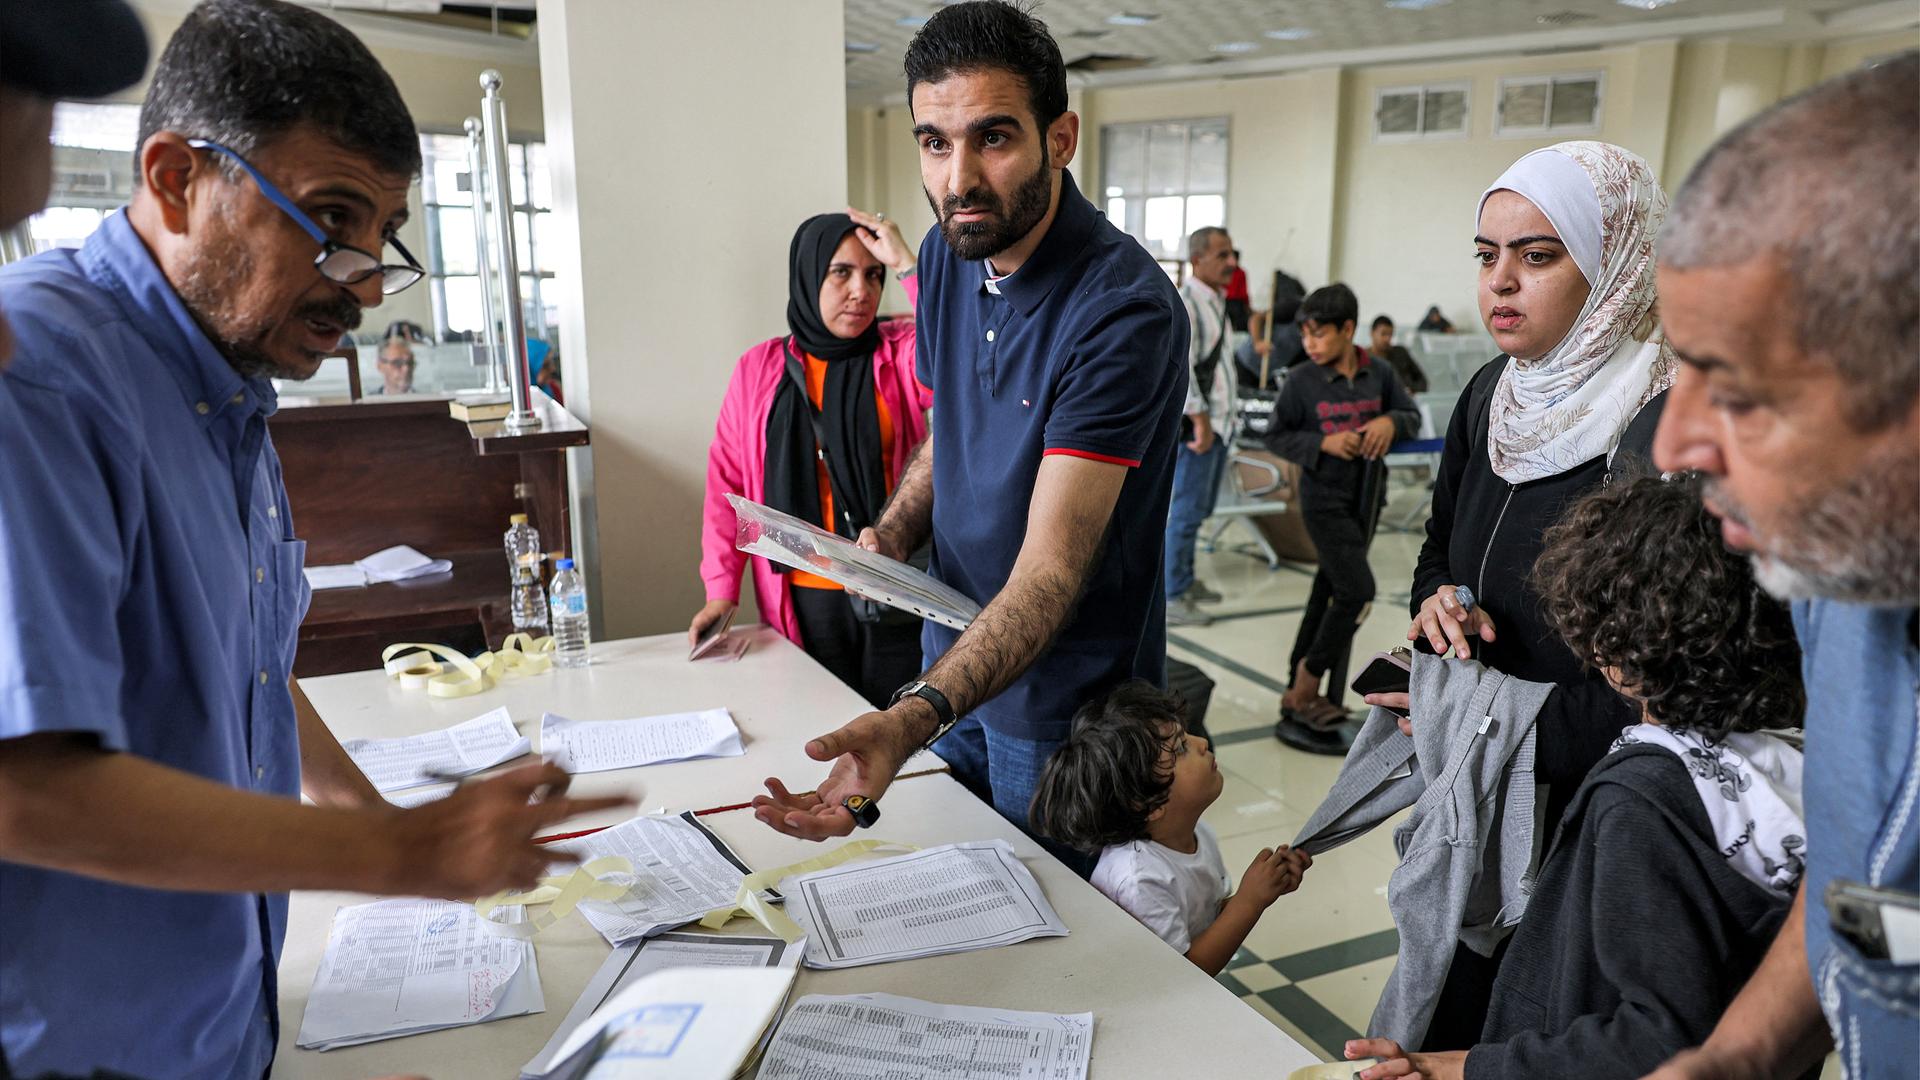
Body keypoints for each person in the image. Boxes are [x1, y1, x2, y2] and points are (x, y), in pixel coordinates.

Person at [0, 3, 628, 1075]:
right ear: (173, 180)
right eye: (331, 220)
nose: (368, 287)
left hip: (219, 1028)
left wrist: (378, 810)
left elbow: (244, 663)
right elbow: (26, 786)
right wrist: (399, 853)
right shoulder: (47, 383)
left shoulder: (223, 386)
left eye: (383, 240)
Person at [751, 1, 1186, 873]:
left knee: (1051, 938)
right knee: (963, 895)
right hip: (952, 662)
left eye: (993, 138)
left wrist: (910, 718)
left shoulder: (1120, 311)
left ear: (1060, 138)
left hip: (1062, 703)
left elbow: (1053, 571)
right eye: (934, 143)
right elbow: (951, 430)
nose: (959, 180)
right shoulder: (956, 254)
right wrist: (894, 534)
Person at [1363, 141, 1677, 1049]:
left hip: (1593, 800)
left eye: (1537, 257)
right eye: (1486, 255)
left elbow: (1668, 688)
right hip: (1481, 785)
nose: (1500, 282)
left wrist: (1488, 722)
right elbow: (1437, 545)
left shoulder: (1664, 430)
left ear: (1614, 266)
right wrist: (1436, 605)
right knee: (1454, 1000)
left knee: (1542, 1025)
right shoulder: (1490, 395)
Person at [1643, 55, 1918, 1080]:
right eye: (1680, 366)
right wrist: (1746, 1055)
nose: (1673, 447)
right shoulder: (1839, 569)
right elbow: (1872, 889)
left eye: (1740, 395)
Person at [1348, 473, 1808, 1079]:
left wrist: (1463, 1070)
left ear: (1610, 649)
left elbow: (1655, 1039)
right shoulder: (1787, 763)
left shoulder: (1640, 801)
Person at [693, 209, 929, 708]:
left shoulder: (903, 351)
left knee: (902, 730)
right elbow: (726, 488)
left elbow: (956, 351)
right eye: (840, 272)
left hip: (889, 585)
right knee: (818, 728)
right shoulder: (757, 370)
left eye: (873, 275)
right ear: (807, 274)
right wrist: (721, 590)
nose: (860, 291)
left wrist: (907, 262)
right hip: (802, 594)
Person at [1028, 680, 1310, 975]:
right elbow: (1185, 972)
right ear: (1148, 802)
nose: (1201, 743)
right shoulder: (1140, 880)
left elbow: (1202, 922)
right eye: (1180, 748)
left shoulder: (1196, 833)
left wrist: (1263, 888)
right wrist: (1249, 901)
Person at [1266, 284, 1419, 745]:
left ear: (1348, 329)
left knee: (1326, 590)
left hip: (1368, 498)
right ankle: (1309, 683)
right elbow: (1276, 435)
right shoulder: (1300, 381)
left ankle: (1297, 687)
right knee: (1356, 589)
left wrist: (1389, 422)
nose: (1310, 344)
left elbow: (1409, 414)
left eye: (1319, 334)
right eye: (1305, 335)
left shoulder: (1381, 373)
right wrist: (1322, 444)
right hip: (1323, 500)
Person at [1165, 225, 1237, 627]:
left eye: (1232, 255)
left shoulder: (1217, 303)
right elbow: (1184, 367)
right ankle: (1172, 595)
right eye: (1222, 256)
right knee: (1187, 510)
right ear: (1197, 260)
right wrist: (1200, 419)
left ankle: (1185, 580)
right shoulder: (1188, 302)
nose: (1231, 263)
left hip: (1221, 423)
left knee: (1202, 506)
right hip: (1200, 426)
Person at [1370, 315, 1428, 394]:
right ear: (1372, 333)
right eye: (1383, 334)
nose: (1387, 339)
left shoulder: (1400, 352)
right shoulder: (1365, 357)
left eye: (1390, 334)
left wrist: (1411, 390)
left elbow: (1422, 381)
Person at [371, 318, 420, 395]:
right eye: (397, 363)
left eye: (410, 363)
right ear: (380, 366)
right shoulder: (369, 403)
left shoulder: (426, 403)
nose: (406, 369)